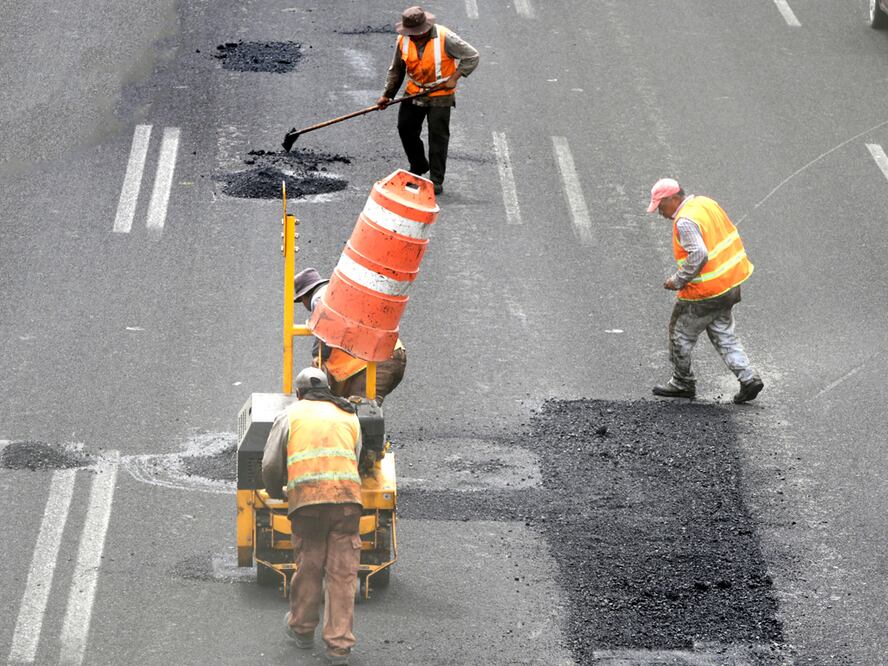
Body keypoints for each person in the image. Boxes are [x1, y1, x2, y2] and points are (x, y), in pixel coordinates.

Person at [262, 367, 363, 666]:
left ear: (298, 392)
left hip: (307, 503)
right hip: (347, 503)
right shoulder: (349, 415)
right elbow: (354, 459)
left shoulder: (291, 415)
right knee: (343, 575)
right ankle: (339, 646)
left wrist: (277, 491)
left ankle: (303, 630)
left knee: (309, 566)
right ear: (329, 389)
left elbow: (270, 464)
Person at [646, 178, 764, 404]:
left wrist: (678, 280)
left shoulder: (684, 222)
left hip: (704, 292)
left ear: (674, 198)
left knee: (679, 334)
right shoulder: (705, 204)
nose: (660, 212)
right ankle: (748, 378)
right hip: (728, 284)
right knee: (723, 334)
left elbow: (699, 254)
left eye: (661, 206)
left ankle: (682, 382)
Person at [376, 6, 480, 196]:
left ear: (424, 29)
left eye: (416, 34)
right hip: (414, 90)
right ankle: (418, 165)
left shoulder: (444, 37)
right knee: (405, 128)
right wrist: (387, 94)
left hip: (440, 93)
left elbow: (472, 56)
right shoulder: (403, 40)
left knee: (438, 137)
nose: (413, 37)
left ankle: (436, 179)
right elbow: (397, 70)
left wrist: (455, 77)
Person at [294, 267, 406, 404]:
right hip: (387, 357)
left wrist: (318, 356)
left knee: (363, 412)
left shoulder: (321, 297)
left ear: (305, 295)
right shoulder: (342, 296)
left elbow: (327, 324)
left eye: (301, 301)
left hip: (376, 362)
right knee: (356, 410)